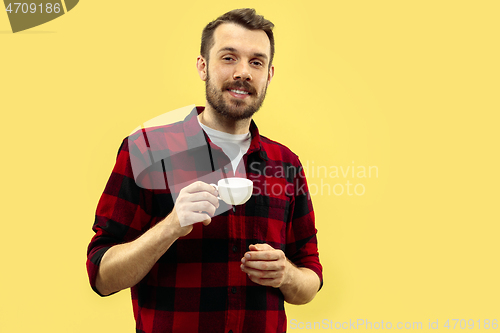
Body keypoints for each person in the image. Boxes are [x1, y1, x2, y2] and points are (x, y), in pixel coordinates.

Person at [86, 8, 323, 333]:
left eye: (256, 62)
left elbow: (311, 277)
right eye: (229, 58)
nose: (243, 72)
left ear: (269, 74)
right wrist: (171, 226)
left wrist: (287, 274)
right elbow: (102, 277)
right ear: (202, 66)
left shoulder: (286, 164)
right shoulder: (147, 149)